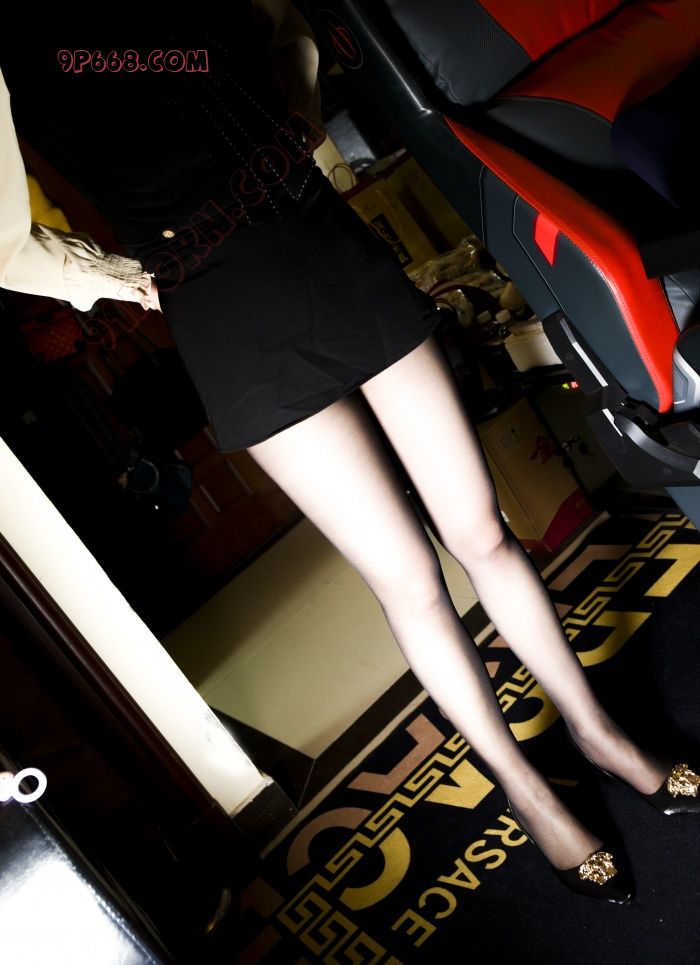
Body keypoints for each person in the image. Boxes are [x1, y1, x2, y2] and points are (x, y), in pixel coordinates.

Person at [1, 3, 698, 904]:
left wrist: (296, 110)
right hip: (224, 309)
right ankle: (527, 791)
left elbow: (282, 20)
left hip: (325, 240)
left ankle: (600, 736)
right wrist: (113, 277)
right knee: (408, 579)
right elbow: (7, 242)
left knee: (481, 529)